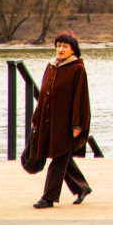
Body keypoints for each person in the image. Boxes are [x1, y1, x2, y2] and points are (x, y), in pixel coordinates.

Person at [30, 31, 92, 209]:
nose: (61, 49)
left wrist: (77, 125)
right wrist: (36, 117)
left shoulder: (77, 69)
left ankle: (48, 198)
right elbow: (43, 95)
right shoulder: (51, 66)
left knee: (58, 159)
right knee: (61, 156)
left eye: (65, 46)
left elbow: (80, 98)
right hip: (49, 121)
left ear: (73, 49)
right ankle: (82, 187)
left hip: (66, 123)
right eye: (58, 46)